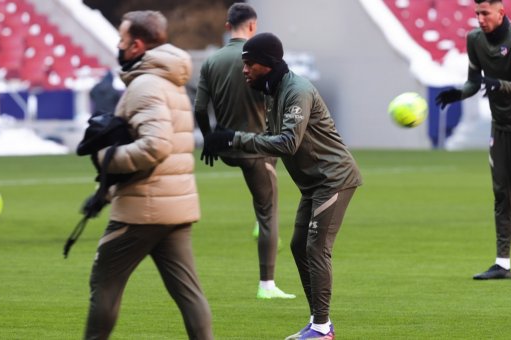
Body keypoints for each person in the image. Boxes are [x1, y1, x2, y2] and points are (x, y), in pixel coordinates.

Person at [202, 32, 362, 340]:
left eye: (249, 63)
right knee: (298, 246)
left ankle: (321, 328)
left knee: (316, 248)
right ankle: (318, 321)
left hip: (334, 178)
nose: (244, 69)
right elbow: (268, 138)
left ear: (267, 64)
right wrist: (228, 144)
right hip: (314, 183)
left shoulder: (297, 90)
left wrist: (235, 138)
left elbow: (288, 143)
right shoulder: (272, 91)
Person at [83, 11, 213, 339]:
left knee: (105, 283)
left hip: (142, 211)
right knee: (188, 293)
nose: (119, 45)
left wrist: (107, 158)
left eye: (122, 40)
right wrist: (107, 193)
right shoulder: (172, 83)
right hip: (174, 206)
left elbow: (156, 146)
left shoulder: (146, 84)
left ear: (137, 45)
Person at [436, 0, 511, 282]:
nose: (479, 18)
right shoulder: (474, 40)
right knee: (502, 193)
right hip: (500, 126)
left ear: (501, 13)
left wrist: (499, 84)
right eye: (476, 13)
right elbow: (474, 82)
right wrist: (459, 93)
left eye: (485, 13)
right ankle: (502, 264)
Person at [194, 3, 294, 300]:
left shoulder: (212, 61)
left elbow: (200, 108)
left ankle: (259, 215)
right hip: (255, 151)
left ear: (228, 26)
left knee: (264, 187)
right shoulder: (260, 61)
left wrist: (209, 138)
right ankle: (267, 285)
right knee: (269, 212)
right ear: (253, 26)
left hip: (224, 147)